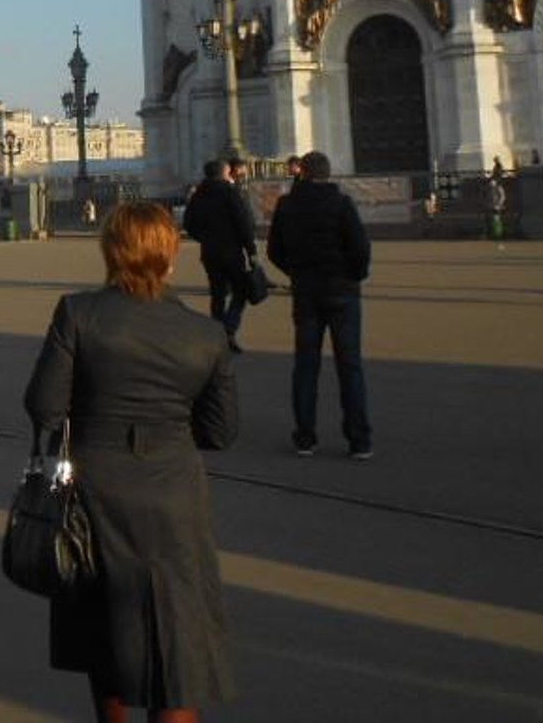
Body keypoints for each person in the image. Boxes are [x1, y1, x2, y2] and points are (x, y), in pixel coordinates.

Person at [22, 200, 238, 721]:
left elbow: (44, 407)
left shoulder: (79, 314)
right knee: (179, 643)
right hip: (174, 496)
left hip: (94, 491)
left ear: (110, 250)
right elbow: (220, 432)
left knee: (104, 633)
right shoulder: (207, 334)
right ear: (171, 254)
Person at [267, 151, 372, 459]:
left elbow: (274, 250)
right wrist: (352, 276)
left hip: (306, 292)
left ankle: (305, 438)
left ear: (302, 173)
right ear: (328, 174)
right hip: (342, 292)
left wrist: (297, 272)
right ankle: (359, 440)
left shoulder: (287, 205)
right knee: (350, 366)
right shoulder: (341, 203)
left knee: (306, 365)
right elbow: (360, 248)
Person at [182, 159, 255, 352]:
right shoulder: (230, 193)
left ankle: (218, 336)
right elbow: (243, 223)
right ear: (224, 173)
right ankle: (228, 329)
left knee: (217, 295)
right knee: (241, 291)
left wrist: (205, 238)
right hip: (232, 252)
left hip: (210, 252)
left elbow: (189, 223)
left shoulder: (199, 195)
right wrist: (251, 250)